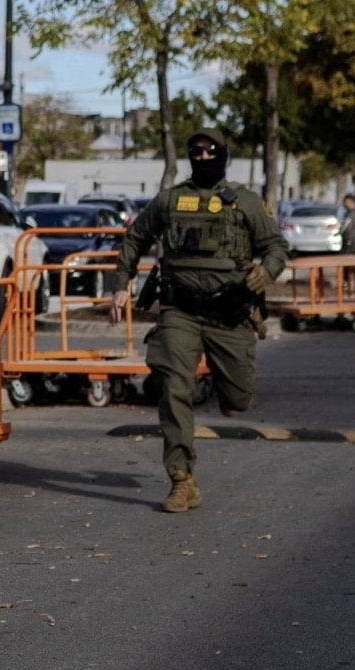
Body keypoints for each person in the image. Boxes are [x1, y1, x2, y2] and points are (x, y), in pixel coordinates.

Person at [108, 128, 288, 513]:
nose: (203, 156)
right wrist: (120, 283)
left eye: (211, 151)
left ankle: (230, 394)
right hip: (180, 311)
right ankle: (181, 479)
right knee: (174, 387)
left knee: (238, 397)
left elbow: (276, 248)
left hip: (229, 313)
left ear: (224, 154)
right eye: (196, 151)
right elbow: (135, 238)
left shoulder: (245, 202)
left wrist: (262, 275)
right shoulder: (171, 200)